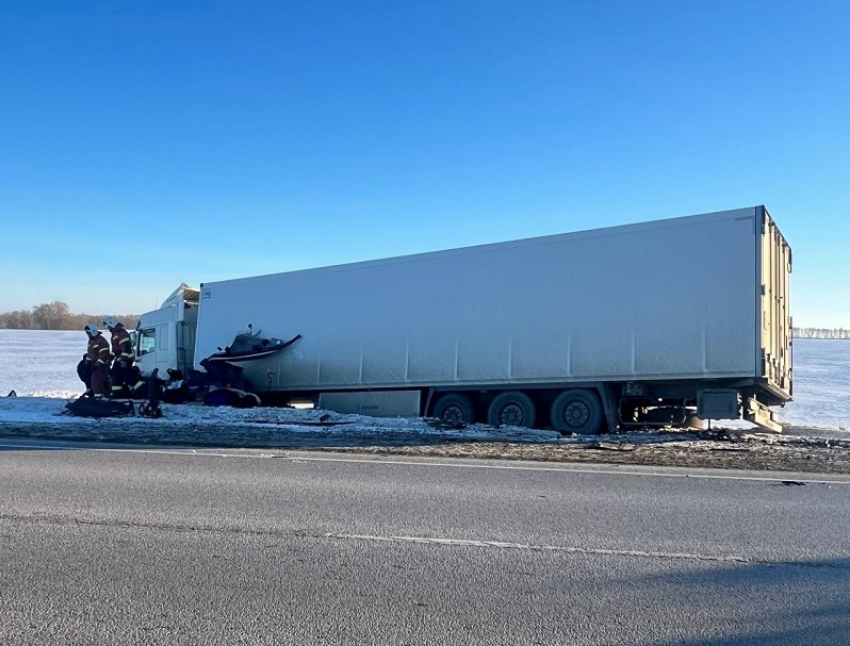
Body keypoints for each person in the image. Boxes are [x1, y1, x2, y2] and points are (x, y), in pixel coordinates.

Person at [104, 317, 144, 397]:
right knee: (116, 376)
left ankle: (141, 390)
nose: (108, 328)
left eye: (108, 326)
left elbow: (126, 346)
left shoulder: (121, 333)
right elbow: (115, 350)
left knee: (126, 376)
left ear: (112, 324)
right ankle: (117, 394)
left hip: (126, 359)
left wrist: (122, 359)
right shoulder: (115, 334)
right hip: (121, 358)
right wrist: (110, 359)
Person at [84, 323, 112, 397]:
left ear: (93, 332)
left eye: (88, 333)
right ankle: (92, 391)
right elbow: (90, 353)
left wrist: (97, 365)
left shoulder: (101, 341)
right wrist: (87, 362)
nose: (88, 335)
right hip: (95, 363)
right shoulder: (91, 341)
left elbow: (104, 354)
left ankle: (99, 395)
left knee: (96, 377)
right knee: (87, 375)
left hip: (103, 365)